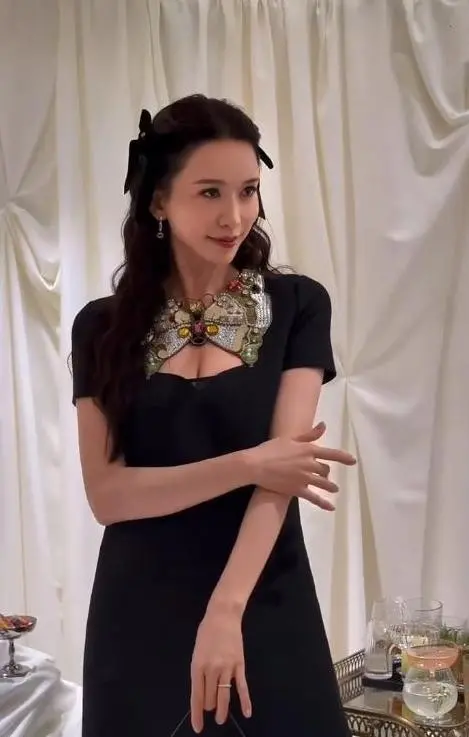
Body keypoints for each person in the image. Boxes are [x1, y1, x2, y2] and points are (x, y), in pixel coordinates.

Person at [71, 94, 356, 737]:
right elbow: (108, 495)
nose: (234, 217)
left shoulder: (298, 304)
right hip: (139, 610)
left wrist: (227, 611)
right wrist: (250, 462)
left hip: (263, 593)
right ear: (158, 202)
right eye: (209, 193)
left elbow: (282, 479)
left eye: (248, 191)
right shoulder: (101, 328)